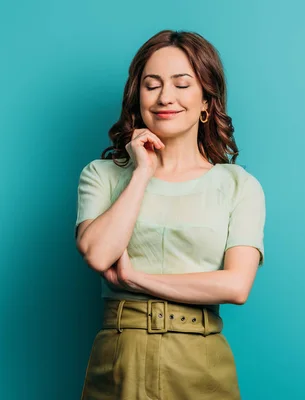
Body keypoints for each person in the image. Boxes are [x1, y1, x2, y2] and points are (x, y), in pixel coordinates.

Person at [74, 30, 266, 400]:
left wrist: (136, 279)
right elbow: (98, 253)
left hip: (199, 359)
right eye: (152, 85)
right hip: (120, 358)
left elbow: (236, 286)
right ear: (137, 97)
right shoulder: (102, 174)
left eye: (182, 84)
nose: (165, 97)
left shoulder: (239, 185)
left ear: (206, 102)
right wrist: (142, 170)